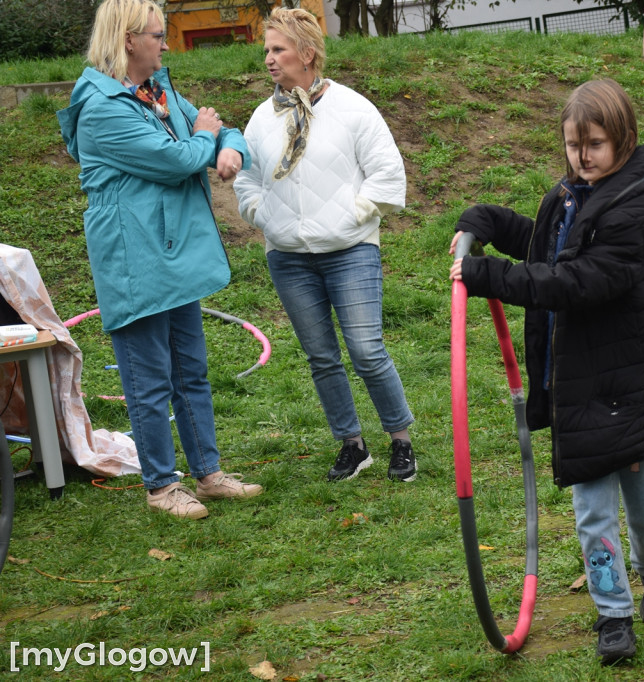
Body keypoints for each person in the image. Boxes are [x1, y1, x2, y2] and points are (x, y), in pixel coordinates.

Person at [448, 79, 644, 664]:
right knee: (592, 513)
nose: (581, 157)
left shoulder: (636, 212)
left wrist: (489, 279)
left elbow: (573, 283)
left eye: (594, 145)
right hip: (581, 390)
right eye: (571, 145)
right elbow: (541, 246)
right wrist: (481, 221)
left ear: (624, 140)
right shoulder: (570, 195)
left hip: (633, 388)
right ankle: (614, 616)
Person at [56, 0, 262, 519]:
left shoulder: (156, 91)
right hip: (135, 257)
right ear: (128, 39)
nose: (165, 43)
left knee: (190, 369)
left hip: (173, 252)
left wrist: (229, 146)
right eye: (156, 34)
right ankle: (161, 485)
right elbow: (176, 160)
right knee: (148, 379)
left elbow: (217, 128)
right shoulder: (102, 107)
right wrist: (206, 139)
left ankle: (208, 474)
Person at [234, 7, 417, 483]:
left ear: (308, 53)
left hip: (351, 252)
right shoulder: (261, 118)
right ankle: (352, 446)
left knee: (366, 350)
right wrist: (264, 216)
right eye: (267, 51)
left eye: (279, 49)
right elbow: (247, 182)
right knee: (321, 357)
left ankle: (400, 440)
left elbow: (387, 173)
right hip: (288, 258)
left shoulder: (353, 108)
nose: (269, 60)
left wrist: (352, 216)